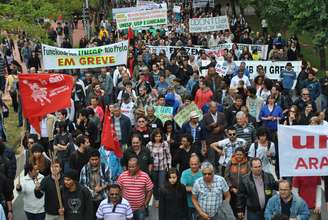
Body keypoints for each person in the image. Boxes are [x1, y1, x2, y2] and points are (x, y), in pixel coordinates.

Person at [79, 149, 111, 219]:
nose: (94, 161)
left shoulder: (104, 167)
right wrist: (92, 192)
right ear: (89, 159)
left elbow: (110, 182)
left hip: (103, 198)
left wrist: (101, 187)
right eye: (92, 159)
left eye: (96, 159)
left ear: (99, 159)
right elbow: (82, 185)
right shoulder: (84, 169)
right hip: (89, 200)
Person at [146, 129, 171, 208]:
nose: (158, 138)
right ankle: (156, 199)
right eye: (156, 136)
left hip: (162, 167)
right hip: (153, 168)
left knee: (161, 185)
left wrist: (169, 166)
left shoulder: (165, 144)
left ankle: (161, 200)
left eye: (159, 136)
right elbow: (147, 156)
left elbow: (168, 155)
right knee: (154, 185)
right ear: (153, 136)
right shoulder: (149, 144)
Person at [224, 147, 249, 217]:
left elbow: (249, 177)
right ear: (234, 154)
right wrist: (232, 187)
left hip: (243, 191)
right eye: (237, 154)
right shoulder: (230, 162)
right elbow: (226, 176)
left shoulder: (247, 163)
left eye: (240, 154)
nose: (239, 156)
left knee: (242, 212)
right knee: (233, 211)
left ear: (243, 155)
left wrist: (243, 188)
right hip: (232, 191)